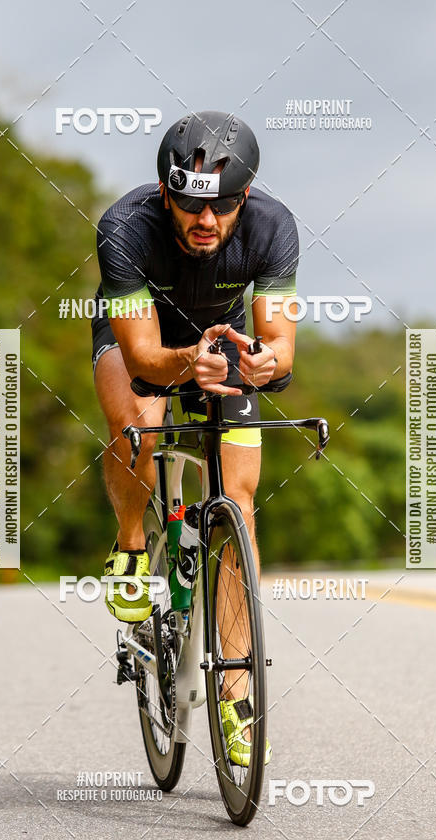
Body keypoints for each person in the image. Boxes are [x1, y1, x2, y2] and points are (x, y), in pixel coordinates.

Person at [92, 110, 298, 765]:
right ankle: (132, 542)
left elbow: (282, 344)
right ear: (165, 193)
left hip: (224, 338)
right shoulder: (125, 229)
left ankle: (236, 696)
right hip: (143, 337)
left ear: (245, 196)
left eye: (222, 206)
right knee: (139, 426)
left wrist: (265, 362)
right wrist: (187, 361)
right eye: (189, 205)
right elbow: (145, 360)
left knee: (238, 502)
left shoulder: (274, 227)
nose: (205, 220)